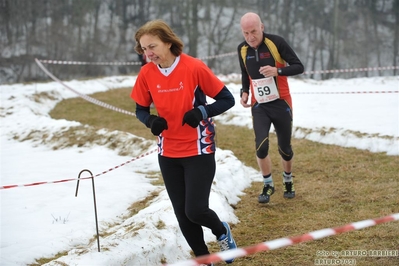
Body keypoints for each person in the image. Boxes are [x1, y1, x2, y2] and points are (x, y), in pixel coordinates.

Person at [130, 20, 237, 265]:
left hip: (199, 148)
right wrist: (150, 121)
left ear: (168, 42)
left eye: (152, 46)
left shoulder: (193, 67)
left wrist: (201, 112)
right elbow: (140, 109)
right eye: (144, 48)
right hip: (168, 152)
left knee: (195, 210)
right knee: (182, 215)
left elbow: (226, 99)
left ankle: (221, 231)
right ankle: (204, 260)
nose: (148, 53)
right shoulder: (146, 73)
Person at [238, 12, 304, 204]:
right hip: (259, 105)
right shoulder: (242, 49)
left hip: (281, 102)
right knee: (261, 146)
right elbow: (245, 73)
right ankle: (268, 183)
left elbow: (299, 66)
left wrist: (278, 70)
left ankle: (288, 179)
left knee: (285, 148)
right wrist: (244, 92)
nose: (250, 37)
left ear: (262, 27)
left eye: (254, 31)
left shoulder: (276, 43)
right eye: (245, 33)